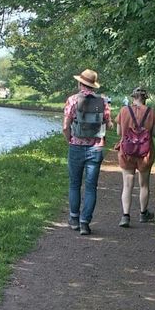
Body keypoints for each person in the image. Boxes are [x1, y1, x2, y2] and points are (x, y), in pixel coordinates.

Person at [63, 68, 112, 235]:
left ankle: (74, 219)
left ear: (80, 83)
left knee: (74, 184)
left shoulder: (72, 100)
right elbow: (108, 124)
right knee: (91, 187)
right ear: (93, 85)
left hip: (76, 146)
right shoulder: (103, 101)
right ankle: (85, 223)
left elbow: (65, 126)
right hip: (96, 148)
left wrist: (70, 140)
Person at [117, 87, 155, 227]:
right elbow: (154, 133)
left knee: (127, 184)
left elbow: (119, 132)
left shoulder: (124, 111)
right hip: (145, 153)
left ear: (132, 97)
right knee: (144, 184)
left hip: (127, 152)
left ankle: (125, 216)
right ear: (145, 98)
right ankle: (143, 213)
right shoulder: (151, 112)